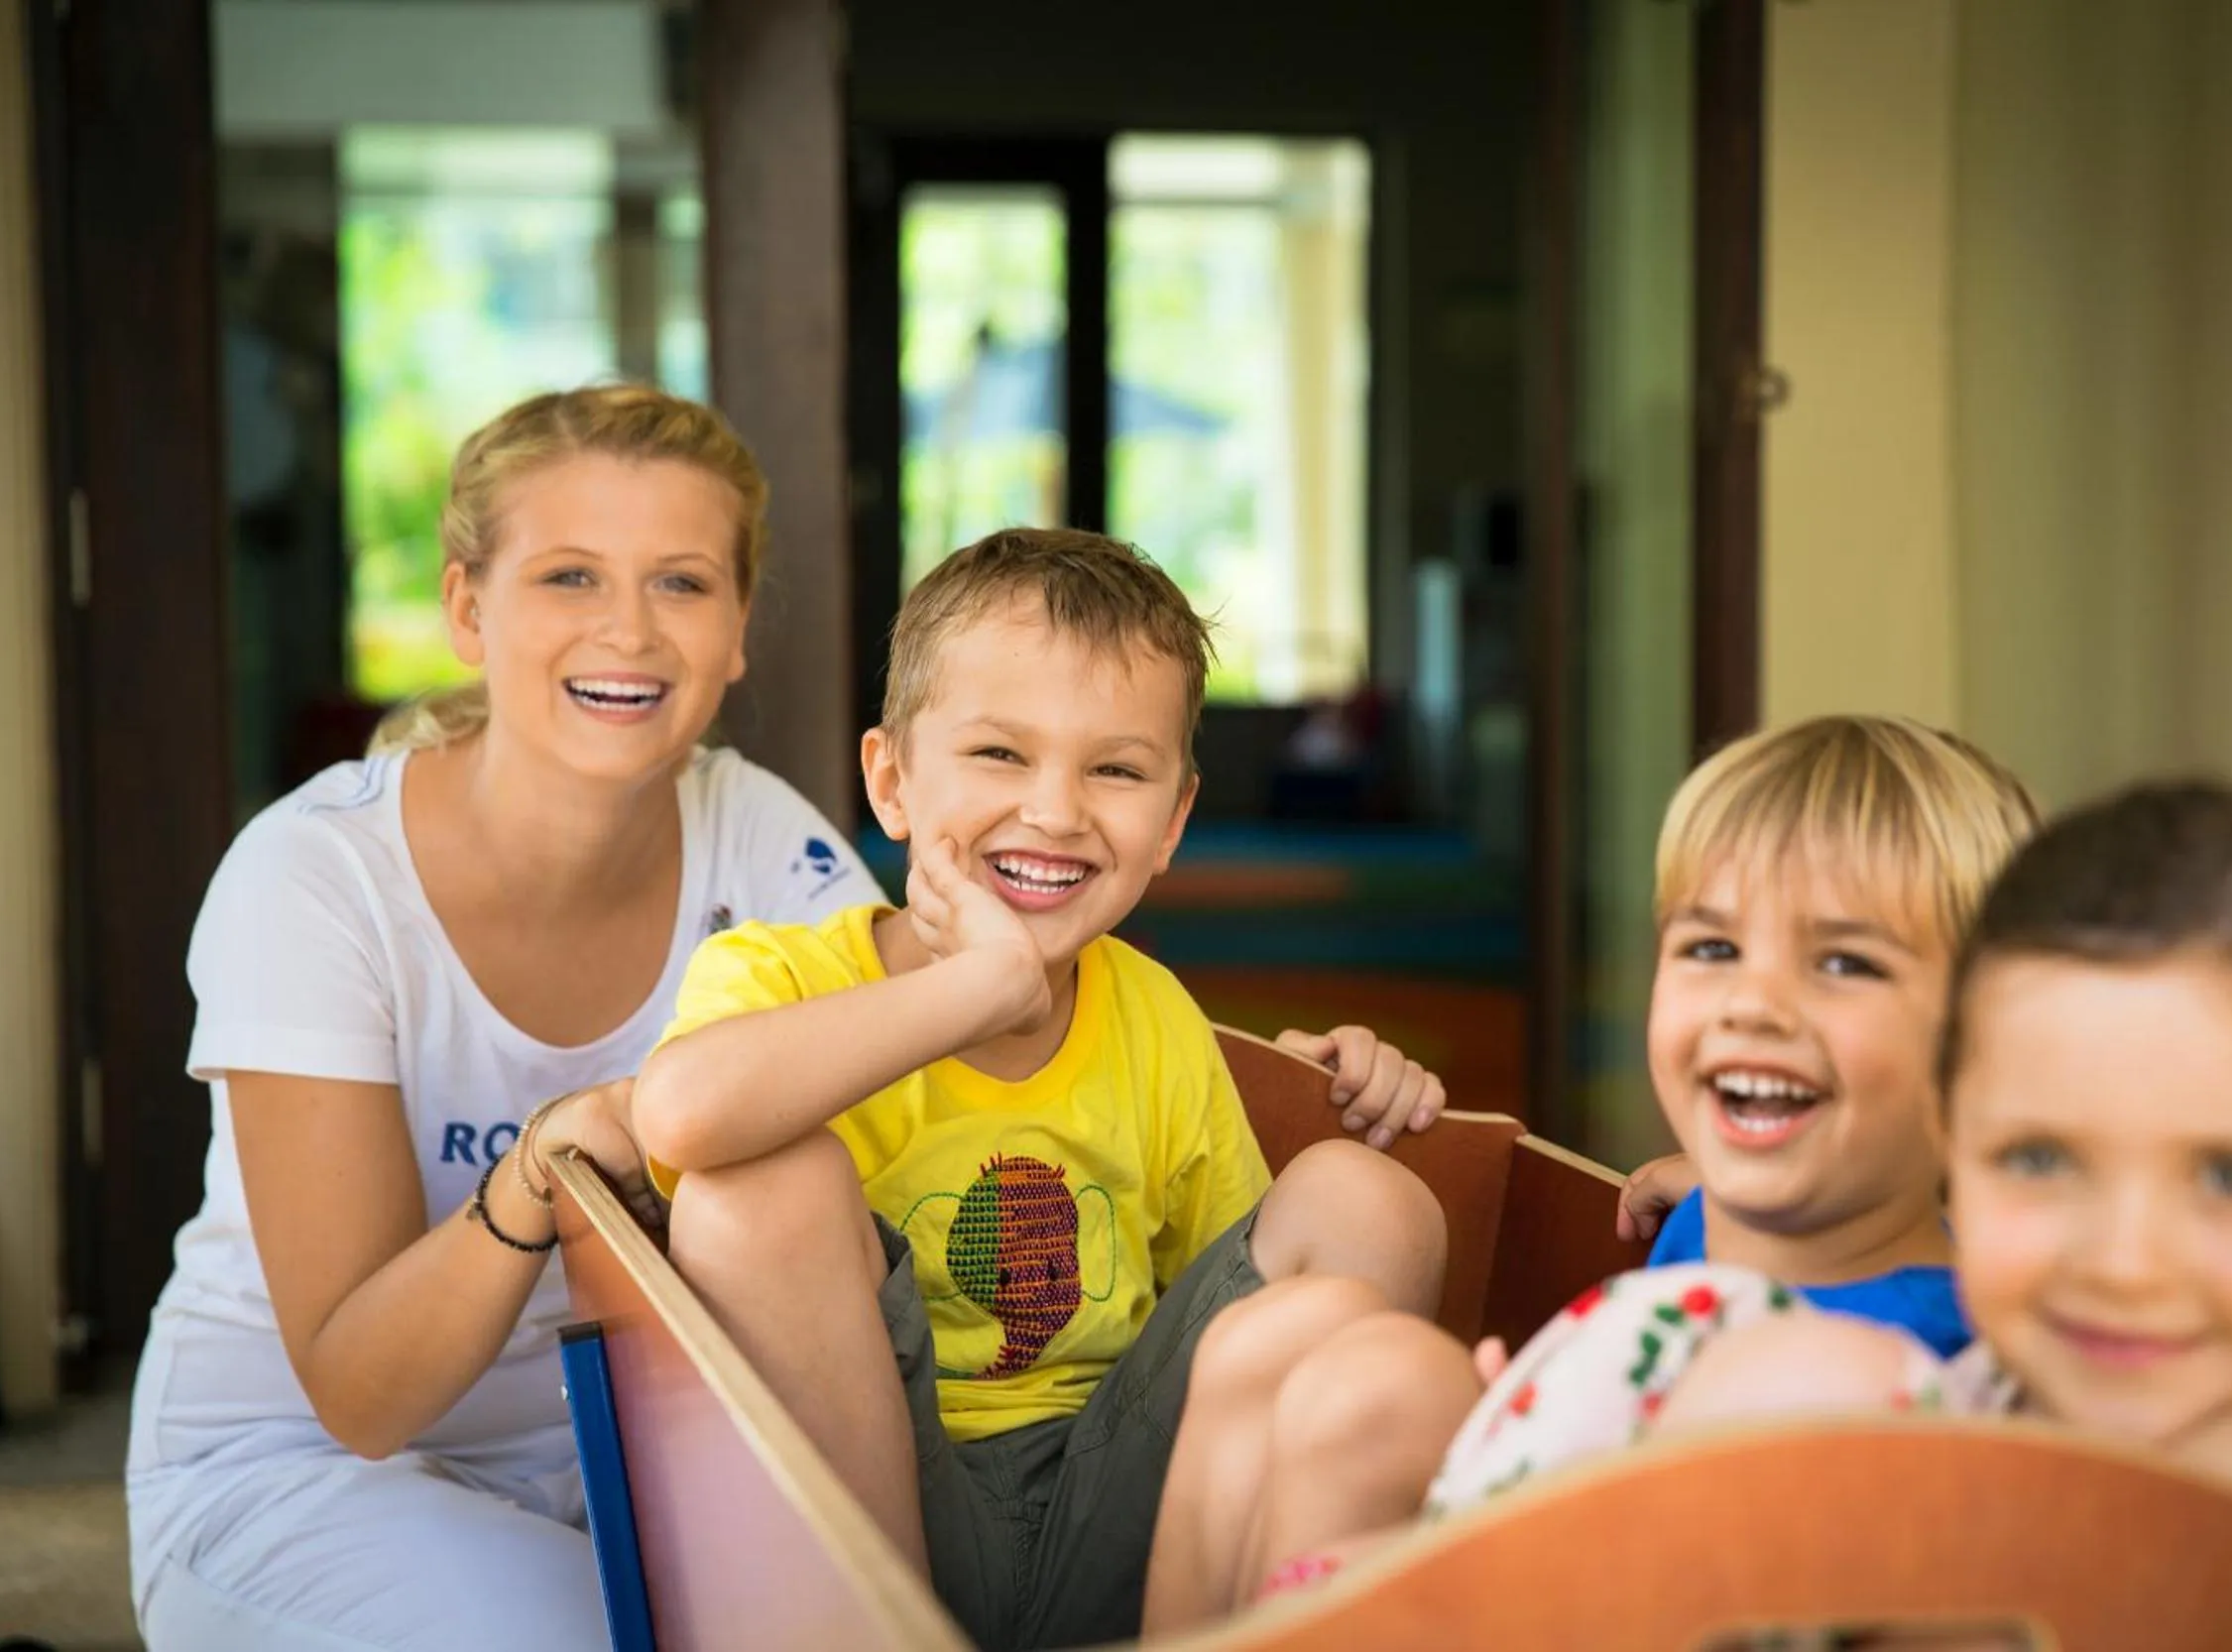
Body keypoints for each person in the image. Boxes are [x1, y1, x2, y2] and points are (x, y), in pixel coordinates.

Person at [125, 389, 1428, 1651]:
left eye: (683, 580)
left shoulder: (748, 825)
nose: (628, 629)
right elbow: (362, 1398)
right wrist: (537, 1175)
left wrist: (1289, 1079)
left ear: (738, 625)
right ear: (466, 605)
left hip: (647, 1449)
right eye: (571, 575)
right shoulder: (315, 878)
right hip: (340, 1462)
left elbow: (971, 998)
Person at [632, 528, 1452, 1651]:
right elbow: (677, 1117)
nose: (1057, 812)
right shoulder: (778, 975)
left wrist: (1337, 1096)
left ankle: (1259, 1626)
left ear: (1171, 821)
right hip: (874, 1525)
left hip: (1133, 1524)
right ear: (892, 781)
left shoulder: (1154, 1014)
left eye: (1115, 769)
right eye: (1000, 755)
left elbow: (1257, 1322)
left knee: (1371, 1198)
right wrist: (978, 990)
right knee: (749, 1187)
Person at [1142, 716, 2040, 1629]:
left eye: (1844, 962)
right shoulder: (1713, 1229)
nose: (1753, 1005)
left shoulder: (1933, 1361)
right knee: (1351, 1365)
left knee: (1382, 1393)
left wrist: (1522, 1486)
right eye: (1713, 949)